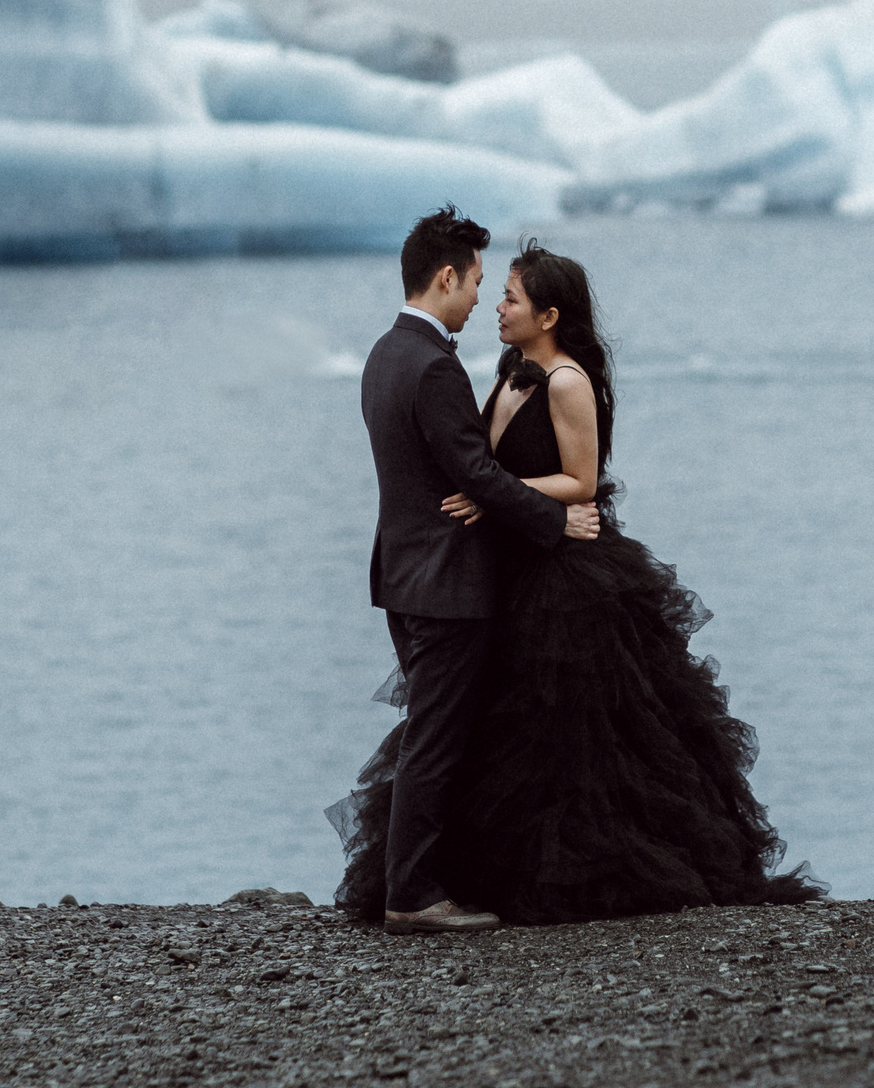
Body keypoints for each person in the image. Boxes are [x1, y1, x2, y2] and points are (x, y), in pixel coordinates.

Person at [337, 237, 823, 926]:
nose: (494, 304)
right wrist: (496, 492)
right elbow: (471, 462)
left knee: (582, 731)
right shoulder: (506, 371)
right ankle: (453, 882)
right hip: (510, 562)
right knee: (498, 732)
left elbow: (584, 482)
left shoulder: (565, 380)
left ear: (550, 315)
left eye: (510, 296)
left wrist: (501, 492)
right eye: (491, 288)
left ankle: (579, 877)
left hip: (566, 573)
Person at [356, 207, 603, 936]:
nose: (480, 299)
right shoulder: (434, 366)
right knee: (436, 739)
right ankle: (414, 893)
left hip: (402, 575)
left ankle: (429, 877)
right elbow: (474, 472)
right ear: (446, 276)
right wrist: (559, 518)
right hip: (447, 584)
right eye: (476, 284)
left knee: (436, 733)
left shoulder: (383, 353)